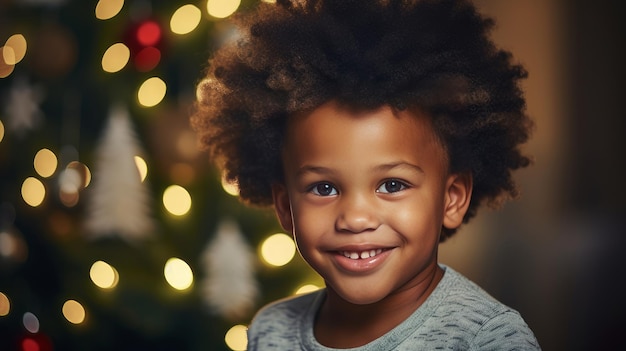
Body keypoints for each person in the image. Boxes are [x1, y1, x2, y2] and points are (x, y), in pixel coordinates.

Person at [192, 0, 541, 349]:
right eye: (324, 188)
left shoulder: (487, 338)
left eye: (392, 185)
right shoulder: (271, 331)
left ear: (452, 197)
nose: (356, 219)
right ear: (285, 206)